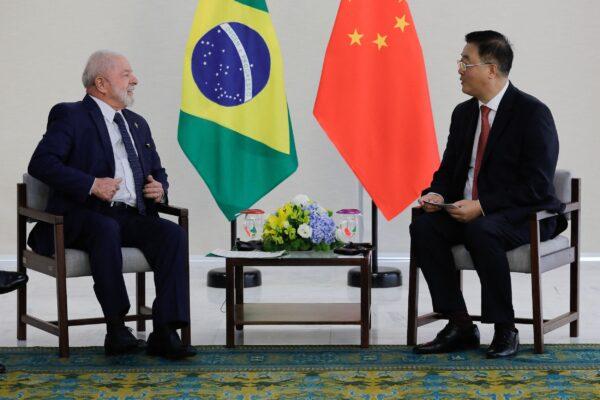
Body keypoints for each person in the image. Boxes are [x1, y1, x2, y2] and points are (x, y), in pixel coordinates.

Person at [27, 50, 195, 360]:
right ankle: (116, 328)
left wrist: (161, 188)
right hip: (81, 215)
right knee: (104, 228)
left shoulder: (137, 123)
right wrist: (92, 184)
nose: (135, 80)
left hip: (130, 215)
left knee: (173, 235)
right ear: (101, 83)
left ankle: (165, 331)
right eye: (126, 74)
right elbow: (41, 163)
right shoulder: (71, 115)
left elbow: (156, 170)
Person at [410, 31, 566, 358]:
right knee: (423, 226)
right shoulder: (463, 114)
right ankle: (460, 324)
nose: (459, 69)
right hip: (470, 212)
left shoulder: (532, 114)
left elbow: (537, 185)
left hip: (527, 215)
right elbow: (448, 170)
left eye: (466, 62)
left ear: (491, 69)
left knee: (482, 230)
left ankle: (505, 328)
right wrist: (437, 194)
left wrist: (482, 206)